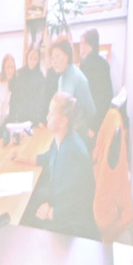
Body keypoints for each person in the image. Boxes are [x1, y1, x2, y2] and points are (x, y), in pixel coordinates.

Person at [24, 93, 100, 239]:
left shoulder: (70, 152)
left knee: (26, 221)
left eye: (51, 114)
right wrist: (23, 159)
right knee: (31, 200)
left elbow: (76, 201)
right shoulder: (61, 138)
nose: (47, 117)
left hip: (73, 223)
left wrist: (50, 212)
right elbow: (48, 157)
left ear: (63, 121)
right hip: (61, 203)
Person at [47, 37, 96, 128]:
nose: (54, 62)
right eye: (52, 58)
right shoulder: (62, 77)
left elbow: (90, 111)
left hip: (79, 128)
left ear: (67, 56)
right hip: (67, 126)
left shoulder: (75, 76)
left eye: (57, 56)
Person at [9, 45, 50, 125]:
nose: (32, 61)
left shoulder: (40, 77)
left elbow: (42, 100)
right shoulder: (19, 74)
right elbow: (14, 98)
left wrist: (40, 120)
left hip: (34, 118)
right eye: (30, 58)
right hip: (19, 117)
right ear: (27, 58)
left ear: (38, 61)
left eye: (35, 59)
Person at [78, 29, 114, 120]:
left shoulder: (86, 66)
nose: (80, 46)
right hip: (101, 115)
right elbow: (108, 94)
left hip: (89, 118)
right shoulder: (104, 63)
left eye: (81, 43)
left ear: (88, 45)